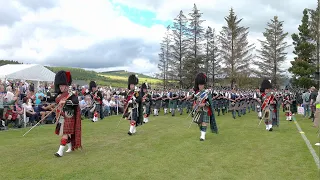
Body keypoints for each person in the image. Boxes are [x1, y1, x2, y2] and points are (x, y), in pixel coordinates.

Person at [54, 71, 82, 157]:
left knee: (65, 133)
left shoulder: (71, 95)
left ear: (66, 86)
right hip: (62, 117)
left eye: (62, 86)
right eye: (60, 86)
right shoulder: (59, 96)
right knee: (64, 133)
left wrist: (66, 101)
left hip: (69, 117)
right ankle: (70, 147)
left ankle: (60, 151)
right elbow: (57, 100)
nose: (60, 87)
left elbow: (75, 102)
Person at [191, 73, 218, 141]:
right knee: (199, 122)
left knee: (204, 122)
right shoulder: (196, 92)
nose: (201, 86)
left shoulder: (207, 92)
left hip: (205, 109)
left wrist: (204, 104)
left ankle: (202, 136)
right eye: (200, 84)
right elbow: (194, 100)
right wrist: (195, 105)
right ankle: (202, 132)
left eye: (202, 84)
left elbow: (210, 102)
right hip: (198, 109)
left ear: (204, 84)